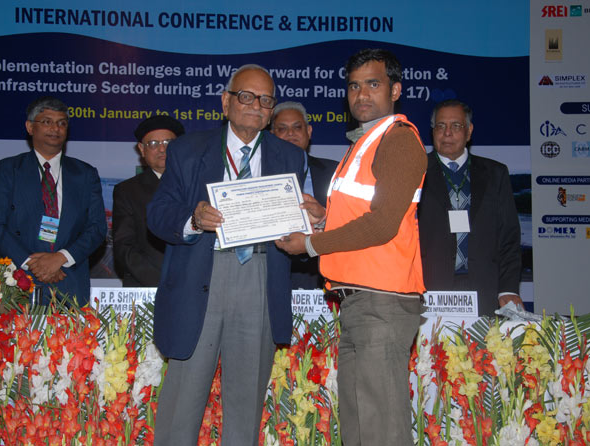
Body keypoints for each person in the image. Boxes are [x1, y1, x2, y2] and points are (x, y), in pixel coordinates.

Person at [147, 65, 306, 446]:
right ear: (225, 101)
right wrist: (192, 218)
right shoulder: (188, 149)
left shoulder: (289, 156)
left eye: (265, 100)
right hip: (204, 275)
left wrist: (310, 220)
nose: (256, 106)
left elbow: (297, 224)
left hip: (260, 276)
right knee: (183, 401)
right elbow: (158, 214)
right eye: (246, 96)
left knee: (246, 404)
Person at [276, 48, 427, 446]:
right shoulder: (364, 144)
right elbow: (363, 217)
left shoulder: (398, 140)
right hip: (359, 303)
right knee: (359, 428)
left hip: (383, 302)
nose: (361, 94)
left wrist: (311, 243)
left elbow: (382, 224)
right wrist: (324, 218)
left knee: (382, 430)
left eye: (373, 84)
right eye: (354, 86)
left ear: (395, 90)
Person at [0, 96, 107, 306]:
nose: (55, 128)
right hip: (19, 279)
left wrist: (60, 258)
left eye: (62, 123)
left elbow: (97, 228)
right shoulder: (8, 169)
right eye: (47, 122)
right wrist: (33, 264)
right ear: (30, 127)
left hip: (70, 278)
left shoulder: (85, 173)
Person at [418, 99, 522, 315]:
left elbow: (509, 237)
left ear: (469, 131)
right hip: (429, 289)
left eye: (456, 126)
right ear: (433, 131)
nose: (447, 133)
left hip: (485, 288)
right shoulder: (415, 171)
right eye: (440, 126)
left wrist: (508, 288)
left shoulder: (495, 174)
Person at [271, 101, 338, 289]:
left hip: (322, 271)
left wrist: (323, 218)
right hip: (274, 271)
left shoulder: (334, 171)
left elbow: (350, 223)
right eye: (282, 129)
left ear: (309, 131)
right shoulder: (259, 177)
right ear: (271, 135)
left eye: (297, 127)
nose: (290, 133)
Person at [112, 115, 184, 287]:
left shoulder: (198, 186)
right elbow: (124, 247)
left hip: (192, 285)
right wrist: (162, 282)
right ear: (142, 149)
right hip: (146, 286)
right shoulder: (127, 191)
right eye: (153, 144)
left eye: (168, 142)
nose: (162, 149)